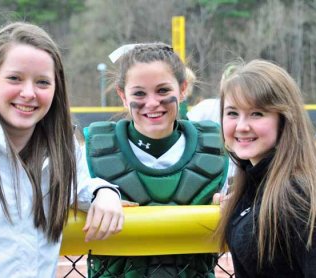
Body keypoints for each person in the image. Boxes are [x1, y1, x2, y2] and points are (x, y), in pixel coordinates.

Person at [0, 22, 124, 277]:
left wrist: (104, 192)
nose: (28, 93)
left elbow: (79, 186)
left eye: (42, 82)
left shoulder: (62, 149)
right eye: (14, 78)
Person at [85, 42, 228, 277]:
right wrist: (98, 190)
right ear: (122, 96)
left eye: (163, 91)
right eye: (139, 93)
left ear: (182, 90)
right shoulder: (93, 152)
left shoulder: (216, 151)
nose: (152, 103)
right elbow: (62, 193)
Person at [215, 59, 316, 277]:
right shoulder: (253, 185)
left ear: (284, 120)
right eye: (232, 113)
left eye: (257, 114)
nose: (242, 126)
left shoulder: (303, 196)